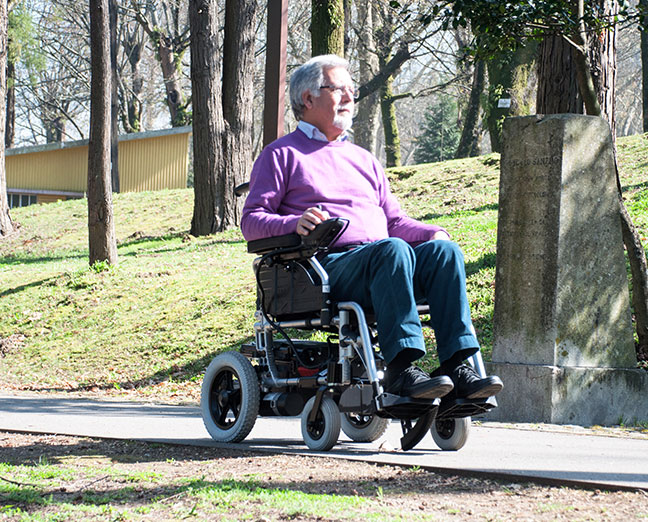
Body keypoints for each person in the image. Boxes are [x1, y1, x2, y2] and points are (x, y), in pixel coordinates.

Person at [241, 54, 503, 401]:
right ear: (308, 99)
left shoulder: (364, 159)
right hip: (325, 267)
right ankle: (402, 368)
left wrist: (431, 233)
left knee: (444, 251)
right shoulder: (281, 155)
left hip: (385, 262)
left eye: (352, 90)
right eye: (339, 89)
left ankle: (457, 367)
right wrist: (294, 222)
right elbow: (251, 220)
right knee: (391, 250)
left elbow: (393, 222)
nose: (350, 98)